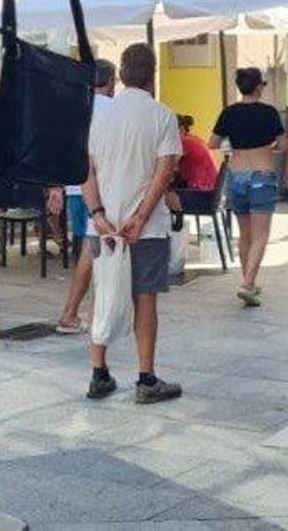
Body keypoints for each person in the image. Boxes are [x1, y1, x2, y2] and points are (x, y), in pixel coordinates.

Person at [82, 44, 183, 403]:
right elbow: (164, 171)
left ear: (121, 74)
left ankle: (99, 371)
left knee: (102, 289)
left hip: (104, 225)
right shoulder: (162, 115)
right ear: (152, 74)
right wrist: (140, 216)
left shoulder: (98, 116)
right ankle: (146, 376)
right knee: (145, 298)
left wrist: (98, 214)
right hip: (147, 227)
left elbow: (86, 170)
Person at [210, 66, 286, 307]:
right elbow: (283, 145)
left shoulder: (229, 112)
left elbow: (212, 142)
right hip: (262, 174)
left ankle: (249, 283)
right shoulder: (269, 112)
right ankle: (247, 283)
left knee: (245, 234)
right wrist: (269, 148)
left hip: (237, 174)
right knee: (260, 235)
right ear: (258, 87)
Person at [56, 58, 117, 335]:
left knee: (89, 252)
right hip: (101, 190)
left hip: (73, 186)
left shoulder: (74, 107)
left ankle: (76, 313)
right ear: (111, 81)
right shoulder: (114, 110)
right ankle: (83, 314)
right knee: (95, 254)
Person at [164, 114, 218, 227]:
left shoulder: (184, 142)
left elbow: (167, 166)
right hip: (211, 193)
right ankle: (175, 230)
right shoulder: (193, 139)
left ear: (181, 129)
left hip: (202, 196)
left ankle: (171, 234)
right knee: (169, 188)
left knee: (159, 197)